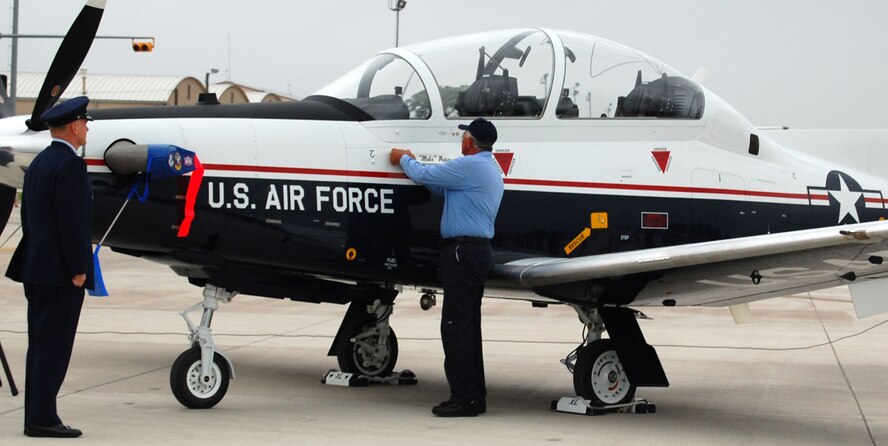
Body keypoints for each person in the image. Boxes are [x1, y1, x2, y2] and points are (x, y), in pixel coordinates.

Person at [390, 117, 504, 417]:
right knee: (467, 328)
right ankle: (473, 396)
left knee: (455, 328)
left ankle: (464, 399)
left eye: (464, 135)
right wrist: (419, 169)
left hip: (462, 253)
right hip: (475, 252)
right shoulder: (487, 167)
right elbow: (444, 187)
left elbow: (427, 173)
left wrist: (402, 158)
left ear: (471, 141)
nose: (461, 139)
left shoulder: (471, 166)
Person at [6, 96, 94, 438]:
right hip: (60, 272)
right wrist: (78, 267)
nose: (86, 128)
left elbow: (30, 216)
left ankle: (37, 415)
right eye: (85, 123)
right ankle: (43, 419)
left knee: (40, 345)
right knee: (55, 346)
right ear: (73, 126)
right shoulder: (71, 165)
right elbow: (71, 222)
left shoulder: (42, 161)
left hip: (36, 267)